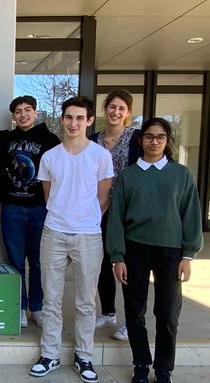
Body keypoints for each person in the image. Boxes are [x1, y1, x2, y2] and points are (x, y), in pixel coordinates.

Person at [106, 117, 203, 383]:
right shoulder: (128, 176)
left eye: (160, 137)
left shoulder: (180, 175)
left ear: (167, 141)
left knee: (167, 312)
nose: (154, 141)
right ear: (141, 140)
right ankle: (140, 365)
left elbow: (191, 215)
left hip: (170, 250)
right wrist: (117, 255)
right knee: (135, 311)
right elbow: (117, 219)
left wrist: (188, 254)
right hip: (135, 248)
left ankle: (163, 370)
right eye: (149, 136)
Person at [29, 96, 114, 383]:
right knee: (51, 298)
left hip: (88, 235)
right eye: (69, 117)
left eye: (80, 118)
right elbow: (49, 196)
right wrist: (65, 218)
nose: (74, 123)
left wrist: (86, 220)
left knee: (86, 302)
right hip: (53, 232)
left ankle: (84, 356)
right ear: (62, 119)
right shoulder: (50, 157)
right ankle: (50, 353)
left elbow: (103, 197)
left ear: (90, 120)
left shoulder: (100, 156)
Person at [0, 88, 60, 328]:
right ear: (13, 117)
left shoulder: (51, 142)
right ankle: (19, 306)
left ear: (36, 113)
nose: (23, 115)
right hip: (12, 209)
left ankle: (37, 307)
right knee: (15, 260)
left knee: (38, 262)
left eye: (27, 110)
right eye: (18, 111)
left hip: (40, 209)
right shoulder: (3, 140)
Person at [89, 89, 142, 341]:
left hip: (128, 213)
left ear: (128, 113)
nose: (116, 112)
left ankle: (131, 320)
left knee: (127, 265)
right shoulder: (92, 140)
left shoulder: (138, 138)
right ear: (104, 109)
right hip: (98, 210)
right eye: (112, 107)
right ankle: (108, 312)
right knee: (101, 262)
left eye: (121, 108)